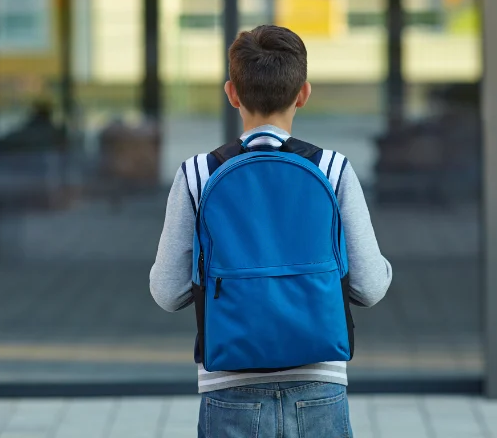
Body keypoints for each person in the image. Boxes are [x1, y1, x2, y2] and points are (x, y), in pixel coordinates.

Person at [149, 25, 394, 435]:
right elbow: (369, 287)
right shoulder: (333, 170)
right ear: (303, 93)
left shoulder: (197, 174)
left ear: (231, 93)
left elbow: (167, 292)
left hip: (228, 386)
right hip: (320, 384)